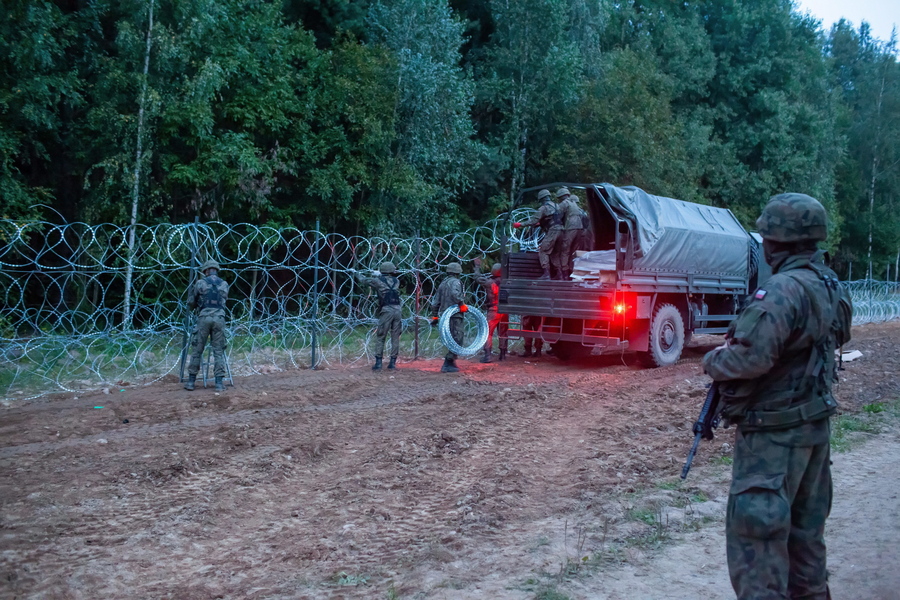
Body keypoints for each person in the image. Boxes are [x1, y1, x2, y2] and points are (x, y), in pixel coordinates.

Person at [702, 193, 853, 600]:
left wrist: (713, 359)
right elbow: (839, 333)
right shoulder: (830, 284)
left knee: (759, 548)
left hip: (773, 435)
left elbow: (753, 356)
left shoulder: (782, 290)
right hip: (813, 430)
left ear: (772, 242)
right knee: (806, 545)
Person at [185, 259, 230, 392]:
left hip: (204, 318)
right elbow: (224, 300)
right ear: (216, 270)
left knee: (197, 349)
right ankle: (219, 383)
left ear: (205, 270)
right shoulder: (224, 284)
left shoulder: (200, 283)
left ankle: (191, 382)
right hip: (219, 318)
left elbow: (191, 302)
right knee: (218, 350)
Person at [357, 261, 403, 371]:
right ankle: (392, 363)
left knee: (381, 336)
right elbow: (386, 280)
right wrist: (379, 275)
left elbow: (363, 280)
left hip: (386, 310)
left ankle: (378, 363)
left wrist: (355, 273)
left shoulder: (377, 281)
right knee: (395, 337)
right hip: (398, 309)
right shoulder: (397, 281)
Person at [513, 189, 565, 280]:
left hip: (553, 231)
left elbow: (533, 220)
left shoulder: (543, 208)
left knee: (543, 250)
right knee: (555, 253)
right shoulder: (557, 206)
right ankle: (560, 275)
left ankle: (546, 274)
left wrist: (521, 224)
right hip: (562, 231)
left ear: (542, 199)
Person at [430, 262, 467, 373]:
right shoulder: (456, 282)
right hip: (455, 315)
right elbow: (455, 294)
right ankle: (448, 362)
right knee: (457, 339)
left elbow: (435, 302)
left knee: (451, 339)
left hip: (445, 315)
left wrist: (435, 317)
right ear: (458, 272)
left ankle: (450, 362)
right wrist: (461, 304)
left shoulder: (443, 283)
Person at [473, 258, 508, 363]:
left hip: (493, 309)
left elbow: (477, 278)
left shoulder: (489, 282)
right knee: (503, 332)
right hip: (504, 309)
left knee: (488, 333)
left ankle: (488, 356)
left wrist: (477, 267)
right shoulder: (507, 282)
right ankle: (503, 355)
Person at [557, 187, 588, 278]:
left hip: (570, 229)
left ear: (561, 197)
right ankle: (572, 271)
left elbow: (556, 216)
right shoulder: (575, 205)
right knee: (573, 252)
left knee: (564, 251)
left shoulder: (564, 203)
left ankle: (564, 273)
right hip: (580, 229)